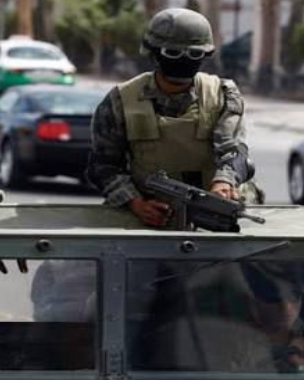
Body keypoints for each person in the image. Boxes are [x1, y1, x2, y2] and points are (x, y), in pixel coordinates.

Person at [86, 8, 256, 228]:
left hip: (220, 217)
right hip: (150, 218)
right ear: (154, 53)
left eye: (194, 54)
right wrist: (136, 204)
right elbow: (104, 166)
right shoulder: (121, 101)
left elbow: (233, 150)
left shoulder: (222, 94)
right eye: (173, 53)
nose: (184, 60)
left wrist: (224, 182)